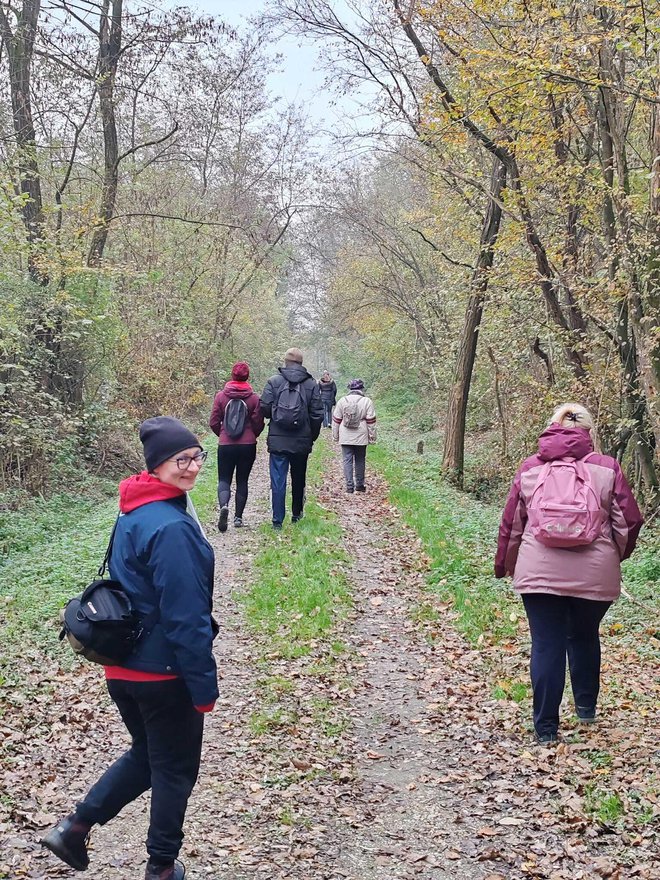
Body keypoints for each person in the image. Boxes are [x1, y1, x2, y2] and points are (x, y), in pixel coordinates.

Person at [42, 416, 218, 880]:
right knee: (175, 769)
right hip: (163, 670)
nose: (192, 467)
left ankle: (75, 828)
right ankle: (161, 866)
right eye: (181, 460)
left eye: (197, 456)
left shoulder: (134, 510)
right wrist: (203, 685)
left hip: (124, 668)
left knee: (147, 754)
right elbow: (186, 616)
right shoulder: (172, 528)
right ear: (157, 465)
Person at [495, 403, 643, 744]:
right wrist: (614, 555)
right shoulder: (607, 468)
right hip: (595, 573)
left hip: (538, 573)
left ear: (551, 428)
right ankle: (586, 709)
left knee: (547, 644)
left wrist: (507, 563)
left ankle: (546, 730)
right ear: (588, 431)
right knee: (584, 634)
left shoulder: (531, 468)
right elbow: (629, 522)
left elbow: (512, 523)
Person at [260, 347, 323, 529]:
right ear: (301, 363)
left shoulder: (274, 381)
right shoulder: (311, 384)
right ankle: (297, 514)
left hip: (278, 440)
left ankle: (277, 520)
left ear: (285, 362)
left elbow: (264, 408)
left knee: (278, 480)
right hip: (301, 440)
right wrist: (311, 436)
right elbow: (317, 414)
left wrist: (275, 414)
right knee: (298, 477)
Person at [209, 361, 264, 531]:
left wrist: (223, 434)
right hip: (247, 445)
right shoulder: (254, 398)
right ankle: (238, 518)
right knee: (242, 480)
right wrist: (252, 435)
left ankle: (224, 506)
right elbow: (258, 423)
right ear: (247, 376)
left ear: (232, 375)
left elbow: (213, 421)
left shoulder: (220, 396)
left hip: (225, 444)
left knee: (224, 479)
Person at [332, 379, 377, 493]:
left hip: (345, 434)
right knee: (360, 460)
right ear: (362, 389)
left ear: (350, 389)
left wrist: (335, 435)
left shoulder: (343, 401)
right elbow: (371, 421)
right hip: (361, 434)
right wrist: (372, 437)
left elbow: (336, 420)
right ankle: (360, 485)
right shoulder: (367, 401)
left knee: (347, 460)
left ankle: (349, 486)